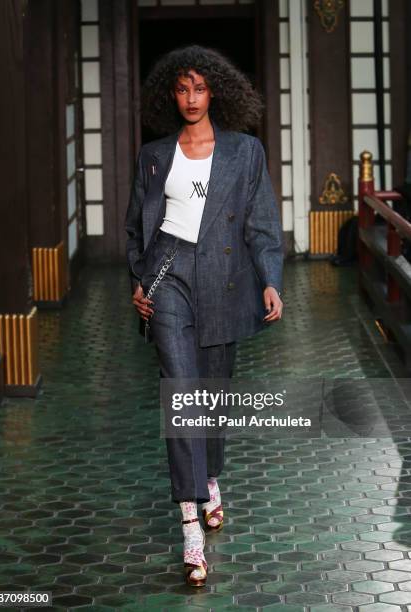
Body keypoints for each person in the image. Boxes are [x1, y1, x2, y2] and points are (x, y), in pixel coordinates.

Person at [125, 45, 284, 587]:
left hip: (225, 282)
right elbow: (135, 231)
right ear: (170, 95)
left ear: (215, 91)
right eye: (181, 88)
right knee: (182, 391)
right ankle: (189, 521)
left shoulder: (244, 152)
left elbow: (262, 226)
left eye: (200, 88)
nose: (190, 98)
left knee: (212, 394)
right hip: (169, 280)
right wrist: (138, 283)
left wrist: (271, 280)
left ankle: (210, 476)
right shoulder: (153, 154)